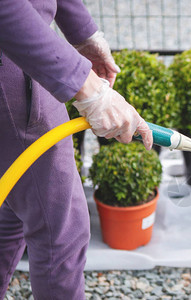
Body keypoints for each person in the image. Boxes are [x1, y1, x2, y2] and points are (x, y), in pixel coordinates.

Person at [0, 0, 153, 298]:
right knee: (61, 232)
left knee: (13, 207)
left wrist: (83, 31)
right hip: (13, 67)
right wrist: (89, 89)